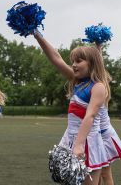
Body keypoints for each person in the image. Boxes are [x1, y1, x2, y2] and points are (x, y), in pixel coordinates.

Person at [34, 31, 110, 185]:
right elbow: (56, 58)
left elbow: (90, 116)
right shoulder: (77, 81)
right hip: (70, 139)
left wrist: (79, 144)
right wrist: (37, 34)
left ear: (92, 64)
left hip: (88, 142)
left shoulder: (98, 87)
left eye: (79, 61)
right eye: (73, 61)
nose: (74, 64)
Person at [96, 44, 121, 185]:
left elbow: (99, 68)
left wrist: (98, 49)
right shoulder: (95, 89)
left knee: (104, 173)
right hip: (97, 135)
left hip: (103, 136)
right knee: (96, 172)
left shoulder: (102, 90)